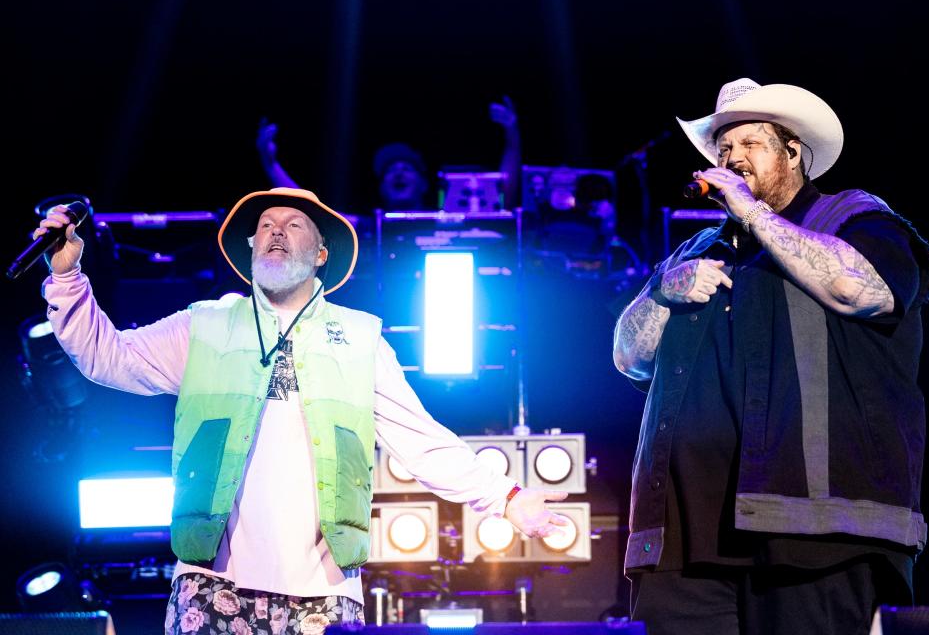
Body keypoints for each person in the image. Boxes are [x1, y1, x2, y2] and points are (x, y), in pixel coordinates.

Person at [36, 187, 567, 634]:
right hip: (211, 583)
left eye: (293, 224)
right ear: (249, 247)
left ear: (320, 253)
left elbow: (420, 439)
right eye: (266, 224)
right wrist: (66, 278)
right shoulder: (204, 325)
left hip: (324, 592)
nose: (275, 232)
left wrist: (507, 497)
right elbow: (108, 357)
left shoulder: (361, 338)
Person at [612, 78, 929, 635]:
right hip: (689, 535)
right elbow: (629, 358)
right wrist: (664, 291)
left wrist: (754, 215)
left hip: (815, 529)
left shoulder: (854, 219)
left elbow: (862, 290)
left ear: (793, 154)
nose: (732, 159)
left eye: (750, 144)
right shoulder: (695, 251)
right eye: (723, 150)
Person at [256, 96, 522, 211]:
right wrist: (271, 164)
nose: (398, 172)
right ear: (381, 189)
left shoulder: (445, 222)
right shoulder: (370, 231)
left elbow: (501, 195)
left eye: (407, 168)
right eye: (390, 171)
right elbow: (310, 208)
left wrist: (511, 135)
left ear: (424, 185)